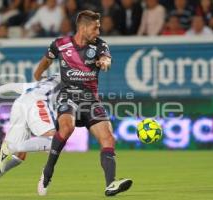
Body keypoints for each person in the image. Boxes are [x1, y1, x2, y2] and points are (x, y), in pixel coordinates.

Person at [27, 10, 132, 196]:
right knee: (67, 128)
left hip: (90, 100)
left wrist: (104, 62)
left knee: (108, 138)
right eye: (95, 28)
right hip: (68, 96)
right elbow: (45, 62)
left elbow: (106, 58)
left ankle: (111, 184)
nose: (98, 32)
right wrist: (36, 80)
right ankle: (47, 171)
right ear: (83, 27)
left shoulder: (100, 45)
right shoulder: (60, 45)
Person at [0, 74, 60, 195]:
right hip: (37, 103)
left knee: (19, 156)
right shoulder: (71, 80)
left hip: (20, 104)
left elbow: (11, 86)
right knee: (53, 140)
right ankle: (10, 147)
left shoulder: (40, 83)